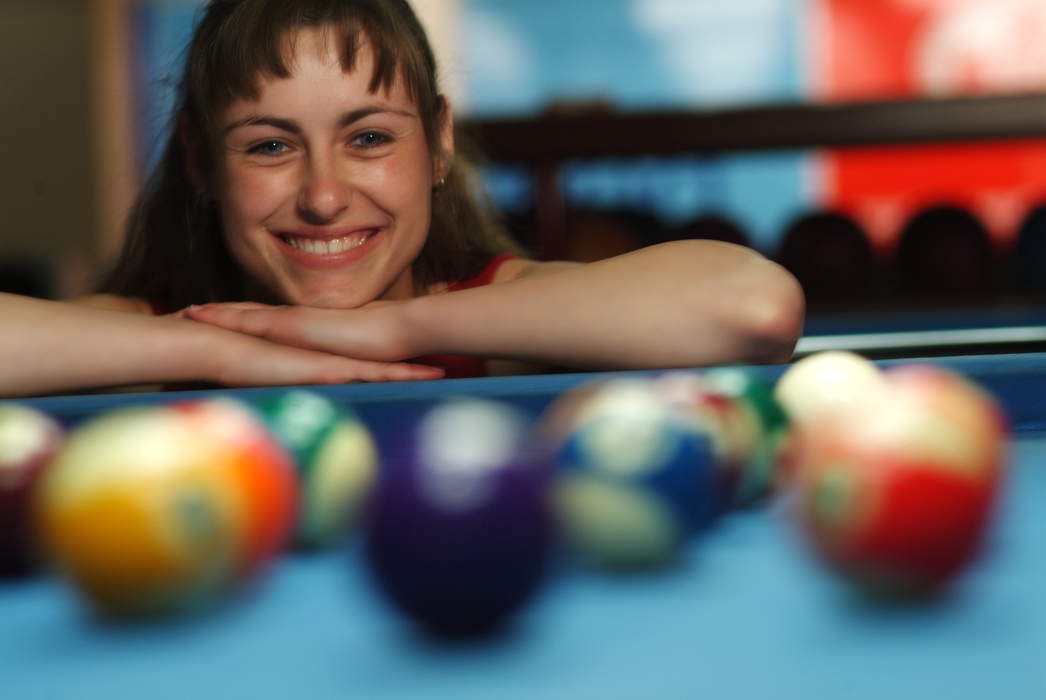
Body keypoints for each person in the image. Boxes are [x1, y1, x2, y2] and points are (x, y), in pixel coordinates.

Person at [0, 0, 803, 399]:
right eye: (271, 146)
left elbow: (750, 306)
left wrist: (393, 329)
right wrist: (214, 353)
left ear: (439, 144)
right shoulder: (163, 337)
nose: (322, 195)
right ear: (200, 164)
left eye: (370, 137)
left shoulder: (495, 318)